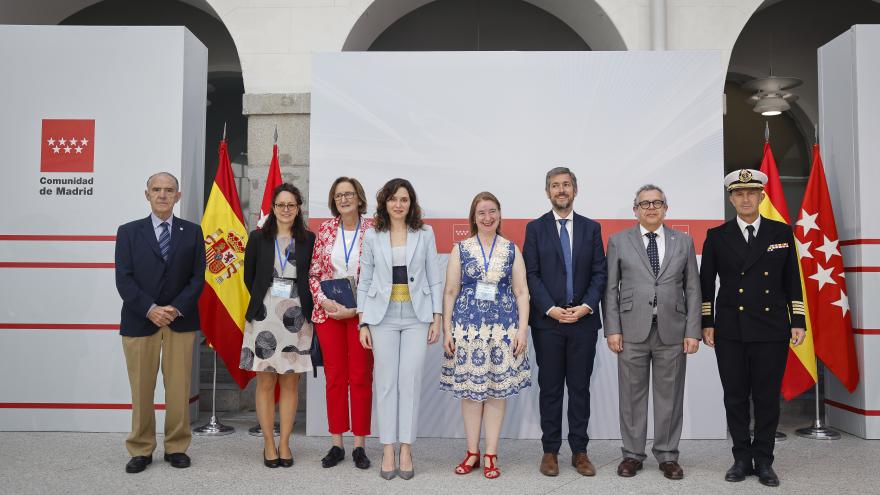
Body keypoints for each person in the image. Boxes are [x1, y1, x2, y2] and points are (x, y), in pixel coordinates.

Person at [700, 169, 806, 487]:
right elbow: (707, 285)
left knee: (766, 398)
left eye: (751, 193)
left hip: (772, 328)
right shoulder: (717, 236)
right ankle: (741, 459)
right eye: (739, 194)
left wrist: (797, 320)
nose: (745, 199)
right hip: (731, 329)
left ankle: (764, 461)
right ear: (731, 198)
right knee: (735, 397)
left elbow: (792, 281)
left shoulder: (781, 232)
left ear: (761, 196)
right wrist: (708, 322)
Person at [603, 184, 702, 480]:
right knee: (631, 397)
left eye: (657, 202)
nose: (651, 208)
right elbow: (610, 289)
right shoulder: (619, 241)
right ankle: (632, 455)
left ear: (665, 208)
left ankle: (668, 455)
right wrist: (613, 329)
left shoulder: (683, 242)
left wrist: (693, 331)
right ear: (635, 209)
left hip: (673, 330)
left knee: (669, 397)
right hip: (631, 330)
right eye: (644, 204)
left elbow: (693, 289)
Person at [114, 172, 205, 474]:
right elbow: (124, 280)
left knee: (179, 388)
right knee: (141, 389)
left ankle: (177, 447)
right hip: (140, 321)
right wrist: (151, 309)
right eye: (157, 189)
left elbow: (197, 278)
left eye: (169, 190)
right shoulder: (128, 232)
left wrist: (175, 308)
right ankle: (141, 449)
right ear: (147, 194)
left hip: (180, 320)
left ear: (178, 196)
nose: (163, 195)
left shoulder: (192, 232)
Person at [440, 191, 532, 479]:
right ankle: (472, 453)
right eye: (481, 212)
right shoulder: (461, 248)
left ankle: (491, 453)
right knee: (470, 394)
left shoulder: (511, 248)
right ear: (474, 217)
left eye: (492, 211)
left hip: (503, 331)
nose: (487, 217)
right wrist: (447, 330)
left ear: (500, 214)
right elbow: (451, 291)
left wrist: (522, 331)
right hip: (467, 331)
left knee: (496, 392)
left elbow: (521, 292)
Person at [523, 166, 607, 477]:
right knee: (551, 388)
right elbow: (531, 274)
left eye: (566, 185)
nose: (561, 190)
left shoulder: (591, 228)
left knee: (580, 388)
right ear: (548, 192)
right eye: (555, 186)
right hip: (549, 324)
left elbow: (600, 272)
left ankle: (580, 451)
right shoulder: (535, 229)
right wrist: (550, 308)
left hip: (583, 322)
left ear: (575, 190)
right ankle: (550, 451)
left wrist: (585, 306)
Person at [357, 178, 442, 480]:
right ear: (385, 203)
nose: (398, 204)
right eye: (393, 199)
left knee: (410, 381)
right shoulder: (372, 235)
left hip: (417, 316)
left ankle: (406, 447)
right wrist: (363, 321)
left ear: (411, 203)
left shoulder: (425, 233)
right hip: (383, 316)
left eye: (404, 199)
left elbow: (434, 277)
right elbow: (365, 280)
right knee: (386, 383)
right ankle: (388, 448)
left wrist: (437, 317)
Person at [240, 183, 316, 468]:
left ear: (298, 208)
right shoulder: (259, 237)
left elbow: (310, 277)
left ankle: (285, 443)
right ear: (272, 208)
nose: (286, 210)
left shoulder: (309, 239)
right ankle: (268, 444)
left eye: (291, 205)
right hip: (264, 314)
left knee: (290, 383)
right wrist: (267, 300)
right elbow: (249, 277)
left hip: (296, 318)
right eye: (281, 205)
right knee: (266, 380)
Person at [308, 177, 374, 470]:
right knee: (335, 378)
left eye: (348, 194)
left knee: (360, 377)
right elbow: (314, 273)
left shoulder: (374, 230)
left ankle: (359, 444)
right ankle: (337, 443)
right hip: (331, 313)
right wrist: (323, 300)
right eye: (338, 196)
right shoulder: (325, 229)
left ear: (359, 198)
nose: (344, 199)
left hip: (361, 316)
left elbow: (381, 278)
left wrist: (357, 309)